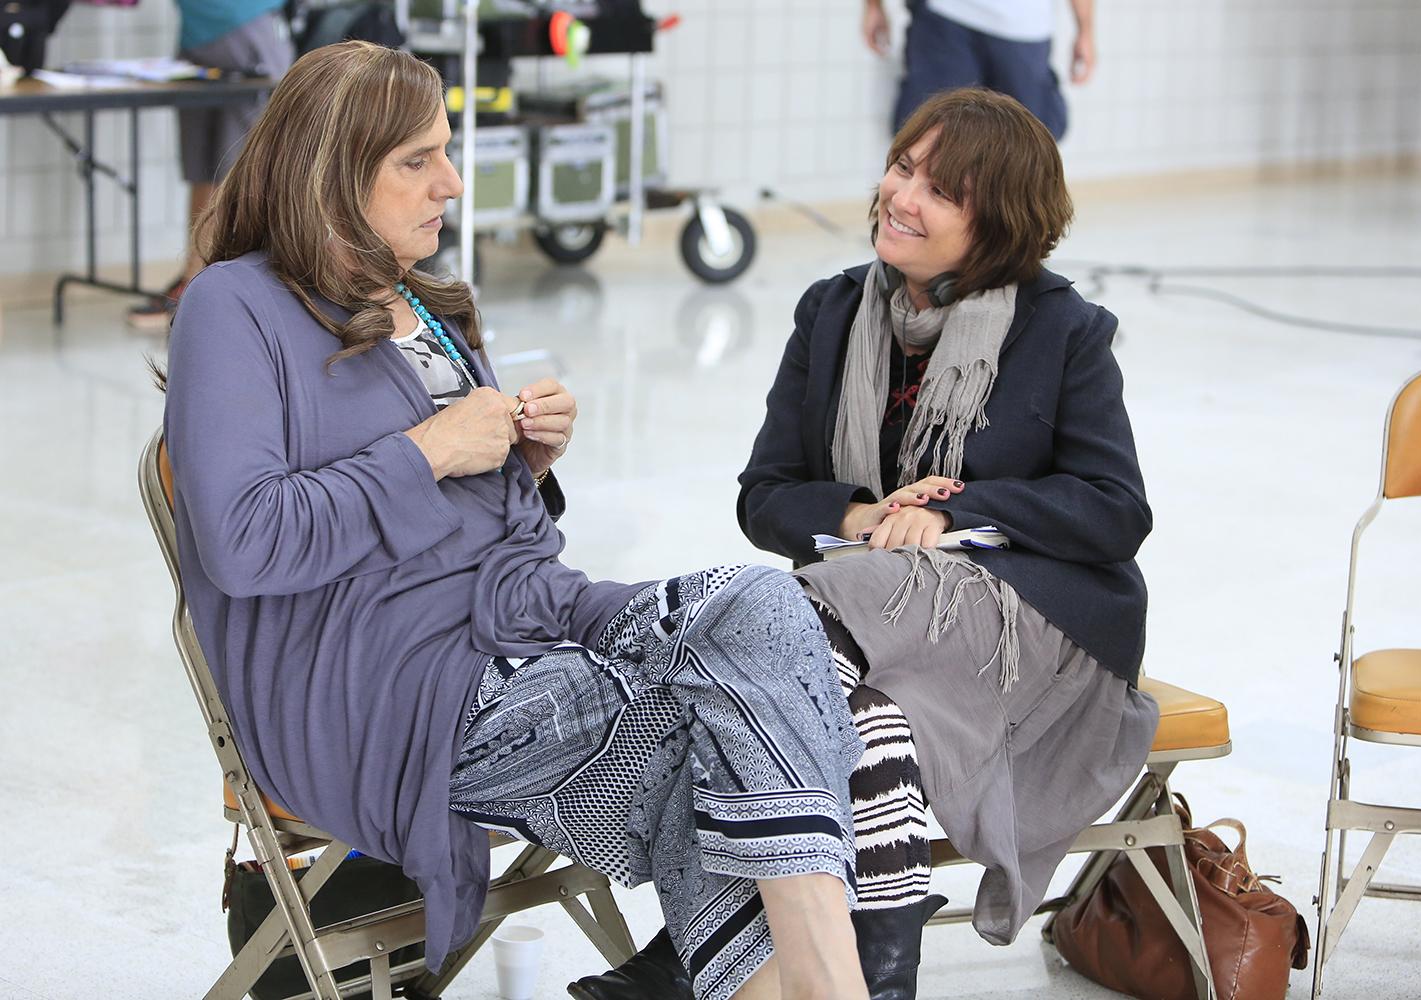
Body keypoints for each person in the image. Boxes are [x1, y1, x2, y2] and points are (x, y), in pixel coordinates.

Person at [162, 41, 872, 1000]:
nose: (451, 182)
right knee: (715, 728)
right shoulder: (232, 304)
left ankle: (821, 988)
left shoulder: (431, 301)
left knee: (767, 609)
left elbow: (502, 540)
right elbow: (245, 542)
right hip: (378, 679)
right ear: (328, 173)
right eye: (417, 161)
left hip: (521, 621)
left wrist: (521, 470)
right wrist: (431, 452)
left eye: (445, 153)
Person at [738, 86, 1160, 982]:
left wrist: (959, 510)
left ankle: (686, 956)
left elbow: (1115, 509)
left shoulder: (1064, 330)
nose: (903, 196)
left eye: (942, 190)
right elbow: (765, 497)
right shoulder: (832, 312)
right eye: (903, 168)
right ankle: (879, 972)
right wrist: (864, 515)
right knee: (860, 719)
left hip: (1034, 626)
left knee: (759, 643)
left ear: (1000, 223)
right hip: (874, 615)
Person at [128, 0, 294, 331]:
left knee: (239, 171)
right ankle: (195, 276)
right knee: (204, 169)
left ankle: (211, 288)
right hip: (198, 32)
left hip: (246, 26)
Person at [862, 0, 1096, 137]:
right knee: (923, 133)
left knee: (1030, 139)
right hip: (945, 17)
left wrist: (1085, 30)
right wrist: (873, 6)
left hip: (1023, 29)